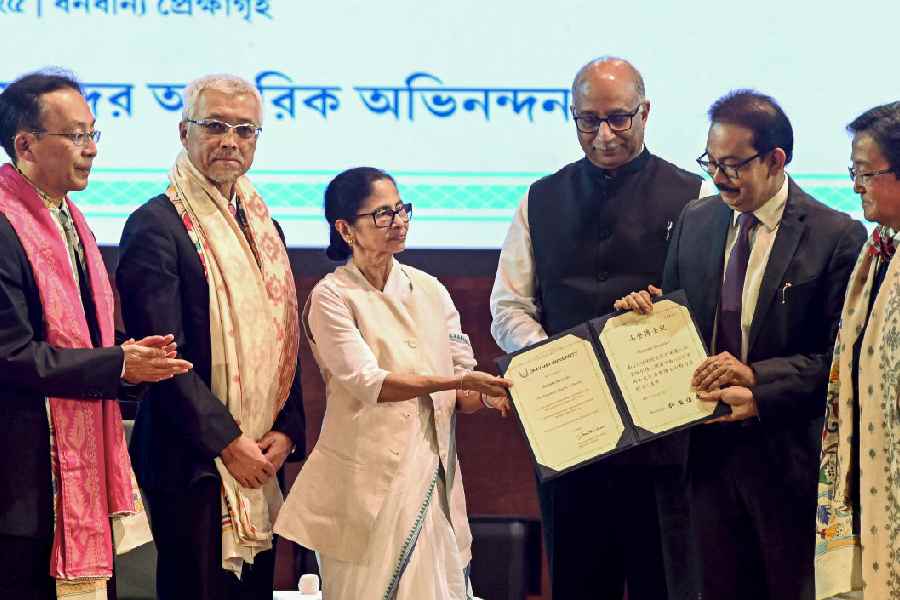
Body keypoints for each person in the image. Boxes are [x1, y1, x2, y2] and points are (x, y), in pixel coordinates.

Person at [616, 90, 866, 600]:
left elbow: (839, 361)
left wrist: (757, 382)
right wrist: (649, 313)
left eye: (733, 165)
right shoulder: (695, 220)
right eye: (711, 162)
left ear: (776, 159)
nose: (719, 178)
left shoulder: (836, 236)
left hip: (784, 464)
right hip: (700, 462)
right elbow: (681, 320)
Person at [489, 56, 712, 599]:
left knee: (665, 582)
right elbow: (508, 307)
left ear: (645, 113)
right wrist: (554, 361)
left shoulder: (696, 197)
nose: (604, 134)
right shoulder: (538, 199)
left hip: (665, 433)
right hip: (569, 429)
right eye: (587, 120)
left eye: (619, 118)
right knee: (579, 582)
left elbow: (708, 311)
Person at [274, 167, 511, 600]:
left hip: (432, 477)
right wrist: (457, 379)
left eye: (402, 209)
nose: (398, 221)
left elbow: (463, 391)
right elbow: (369, 383)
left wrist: (490, 394)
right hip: (364, 489)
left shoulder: (431, 289)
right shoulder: (332, 297)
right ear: (345, 229)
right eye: (382, 214)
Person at [0, 70, 192, 599]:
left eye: (93, 135)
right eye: (77, 136)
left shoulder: (68, 218)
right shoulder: (4, 222)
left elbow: (81, 337)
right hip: (22, 483)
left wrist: (135, 359)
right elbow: (10, 354)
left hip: (72, 477)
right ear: (26, 144)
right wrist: (118, 364)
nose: (91, 151)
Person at [115, 74, 306, 600]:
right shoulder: (156, 225)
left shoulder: (266, 228)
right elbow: (162, 360)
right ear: (184, 132)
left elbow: (285, 339)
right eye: (215, 125)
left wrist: (285, 432)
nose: (231, 141)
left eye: (245, 130)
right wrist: (228, 441)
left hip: (261, 456)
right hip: (191, 460)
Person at [815, 101, 900, 600]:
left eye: (866, 173)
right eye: (853, 171)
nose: (854, 186)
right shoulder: (877, 256)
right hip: (871, 492)